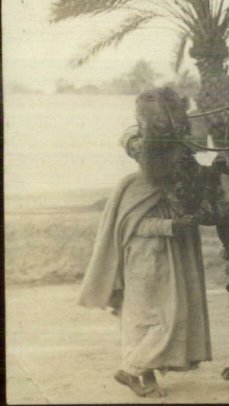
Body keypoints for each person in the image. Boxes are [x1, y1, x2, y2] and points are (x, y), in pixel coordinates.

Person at [77, 130, 212, 398]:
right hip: (143, 261)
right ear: (132, 156)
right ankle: (133, 369)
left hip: (171, 257)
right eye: (134, 150)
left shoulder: (172, 180)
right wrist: (171, 225)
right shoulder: (131, 184)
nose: (140, 153)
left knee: (169, 314)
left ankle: (145, 375)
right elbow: (130, 226)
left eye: (144, 147)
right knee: (151, 319)